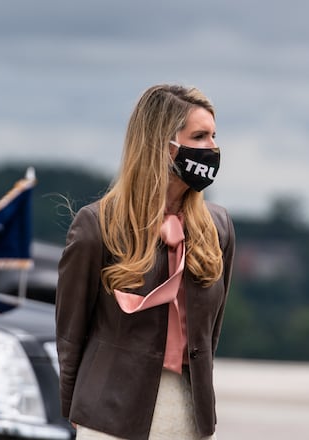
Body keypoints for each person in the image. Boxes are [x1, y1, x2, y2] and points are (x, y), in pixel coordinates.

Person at [55, 84, 235, 440]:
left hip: (186, 412)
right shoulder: (97, 226)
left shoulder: (219, 227)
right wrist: (74, 408)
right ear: (160, 145)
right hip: (107, 412)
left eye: (214, 136)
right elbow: (69, 331)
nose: (212, 148)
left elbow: (210, 332)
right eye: (199, 136)